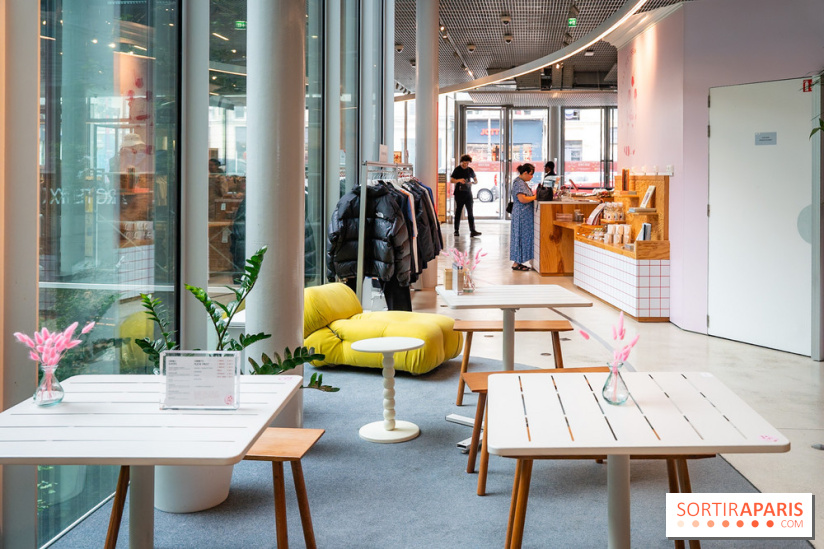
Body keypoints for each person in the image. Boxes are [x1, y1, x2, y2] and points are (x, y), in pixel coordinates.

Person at [510, 163, 537, 271]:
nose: (532, 177)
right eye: (531, 174)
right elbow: (522, 199)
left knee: (520, 237)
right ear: (525, 173)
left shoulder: (521, 182)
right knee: (520, 237)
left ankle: (518, 262)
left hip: (522, 214)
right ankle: (516, 263)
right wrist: (535, 197)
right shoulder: (519, 183)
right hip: (522, 215)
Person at [450, 154, 481, 237]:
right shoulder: (457, 169)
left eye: (467, 163)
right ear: (461, 162)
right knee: (458, 212)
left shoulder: (470, 170)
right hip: (459, 194)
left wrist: (473, 182)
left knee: (470, 212)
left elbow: (476, 180)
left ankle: (472, 230)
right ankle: (456, 230)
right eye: (464, 163)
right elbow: (452, 180)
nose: (465, 165)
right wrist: (459, 180)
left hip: (468, 193)